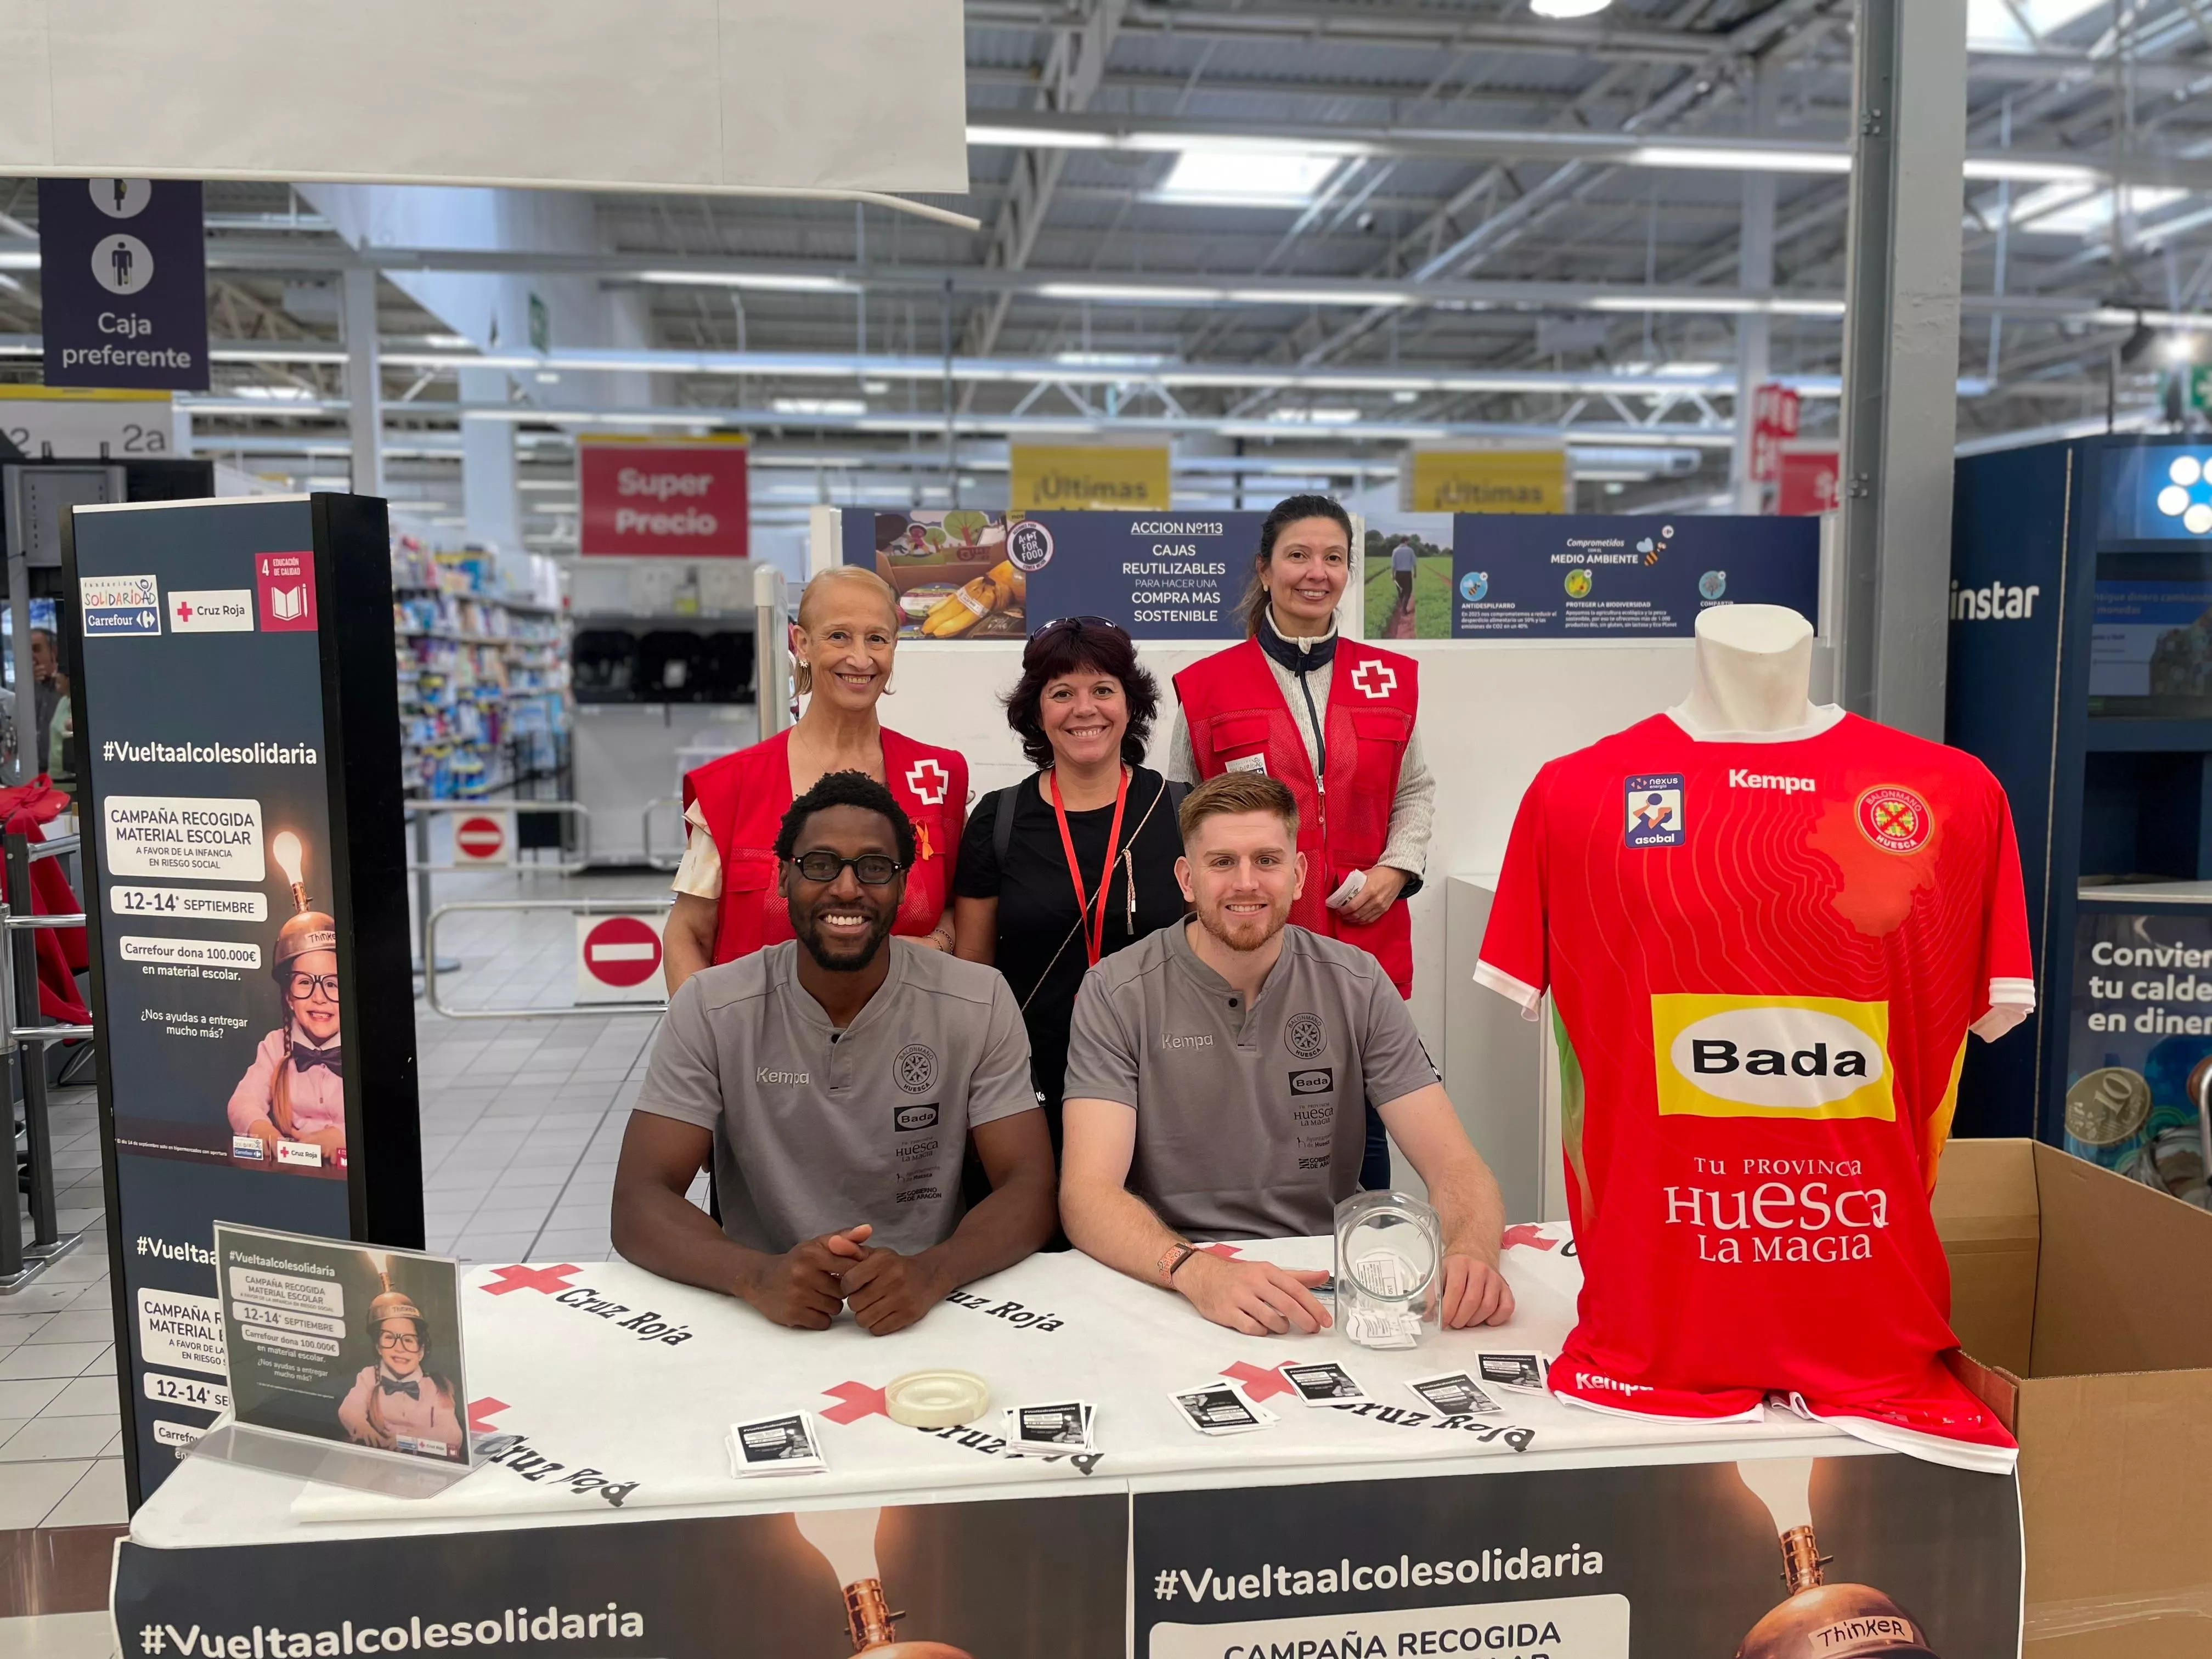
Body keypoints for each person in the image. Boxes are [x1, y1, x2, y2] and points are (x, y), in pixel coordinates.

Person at [1058, 772, 1511, 1338]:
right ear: (1187, 880)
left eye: (1267, 861)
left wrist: (1472, 1252)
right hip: (1172, 1273)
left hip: (1323, 1275)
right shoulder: (1116, 991)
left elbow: (1456, 1165)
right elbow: (1087, 1195)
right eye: (1222, 862)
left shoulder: (1358, 982)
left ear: (1298, 876)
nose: (1246, 883)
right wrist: (1196, 1272)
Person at [613, 771, 1057, 1334]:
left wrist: (934, 1272)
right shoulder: (711, 1005)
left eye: (874, 867)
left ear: (903, 884)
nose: (847, 889)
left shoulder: (979, 998)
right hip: (757, 1316)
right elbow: (638, 1200)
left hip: (937, 1310)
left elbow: (1030, 1187)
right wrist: (756, 1276)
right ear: (783, 877)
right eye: (820, 864)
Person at [1166, 494, 1432, 1192]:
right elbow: (1184, 813)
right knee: (1254, 1117)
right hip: (1248, 944)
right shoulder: (1208, 687)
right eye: (1298, 555)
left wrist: (1397, 869)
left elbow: (1414, 789)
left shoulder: (1389, 679)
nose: (1317, 572)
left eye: (1334, 558)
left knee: (1362, 1121)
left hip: (1364, 939)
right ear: (1264, 569)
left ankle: (1363, 1241)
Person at [664, 566, 967, 995]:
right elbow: (687, 934)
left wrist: (936, 945)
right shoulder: (730, 787)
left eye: (877, 639)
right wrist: (704, 1029)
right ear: (801, 642)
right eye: (839, 636)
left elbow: (963, 908)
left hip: (907, 1027)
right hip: (762, 1030)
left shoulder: (939, 778)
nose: (860, 659)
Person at [953, 617, 1187, 1154]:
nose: (1085, 709)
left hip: (1163, 1076)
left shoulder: (1181, 811)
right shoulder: (998, 821)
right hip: (1030, 1085)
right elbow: (973, 978)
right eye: (1062, 693)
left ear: (1130, 704)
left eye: (1103, 690)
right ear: (1037, 712)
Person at [228, 890, 344, 1164]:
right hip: (294, 1170)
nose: (319, 997)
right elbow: (243, 1101)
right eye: (305, 983)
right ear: (289, 997)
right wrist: (260, 1128)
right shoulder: (276, 1045)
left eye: (332, 984)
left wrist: (342, 1136)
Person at [337, 1285, 462, 1458]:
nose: (399, 1348)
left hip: (422, 1461)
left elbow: (453, 1434)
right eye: (389, 1338)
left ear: (421, 1351)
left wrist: (412, 1440)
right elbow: (349, 1409)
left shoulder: (435, 1386)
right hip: (376, 1459)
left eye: (408, 1340)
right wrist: (361, 1426)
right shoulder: (369, 1376)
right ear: (378, 1347)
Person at [28, 628, 60, 778]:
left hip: (60, 774)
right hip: (31, 771)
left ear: (53, 652)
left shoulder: (66, 687)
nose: (32, 657)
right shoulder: (27, 688)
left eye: (37, 649)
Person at [1390, 540, 1417, 612]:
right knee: (1408, 591)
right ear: (1406, 542)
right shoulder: (1410, 550)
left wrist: (1393, 575)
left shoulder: (1395, 551)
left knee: (1400, 591)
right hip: (1407, 574)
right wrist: (1415, 573)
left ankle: (1403, 606)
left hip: (1398, 573)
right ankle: (1404, 609)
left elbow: (1393, 565)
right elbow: (1414, 563)